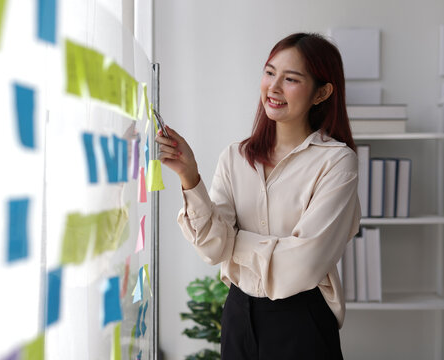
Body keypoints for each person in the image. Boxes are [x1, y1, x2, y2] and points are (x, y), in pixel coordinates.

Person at [155, 32, 361, 359]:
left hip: (301, 320)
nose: (273, 87)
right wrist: (189, 176)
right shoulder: (234, 157)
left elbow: (304, 266)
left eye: (290, 79)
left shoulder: (337, 162)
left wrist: (234, 241)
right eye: (269, 72)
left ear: (321, 92)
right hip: (238, 314)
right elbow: (212, 249)